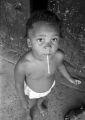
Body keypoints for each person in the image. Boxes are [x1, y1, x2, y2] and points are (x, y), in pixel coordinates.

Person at [14, 10, 81, 120]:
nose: (48, 46)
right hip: (32, 90)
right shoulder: (24, 64)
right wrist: (22, 99)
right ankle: (28, 113)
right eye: (41, 40)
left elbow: (60, 66)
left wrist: (70, 78)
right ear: (29, 43)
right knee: (29, 104)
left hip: (48, 86)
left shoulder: (58, 55)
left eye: (53, 39)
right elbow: (18, 83)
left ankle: (40, 105)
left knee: (43, 97)